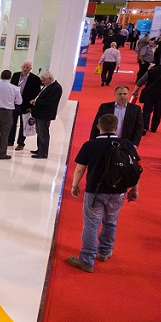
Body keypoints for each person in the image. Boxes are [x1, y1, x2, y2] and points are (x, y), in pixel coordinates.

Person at [67, 115, 140, 273]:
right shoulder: (127, 145)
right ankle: (105, 252)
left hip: (95, 191)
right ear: (116, 127)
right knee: (110, 222)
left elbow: (80, 168)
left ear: (98, 127)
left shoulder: (90, 145)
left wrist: (75, 185)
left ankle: (86, 260)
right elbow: (135, 169)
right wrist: (134, 189)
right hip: (118, 192)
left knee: (91, 224)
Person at [132, 54, 161, 134]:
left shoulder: (151, 70)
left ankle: (144, 127)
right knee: (158, 111)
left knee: (146, 110)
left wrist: (135, 91)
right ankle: (154, 127)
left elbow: (140, 81)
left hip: (149, 93)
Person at [0, 70, 22, 160]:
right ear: (10, 77)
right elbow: (19, 101)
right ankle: (2, 153)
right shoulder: (15, 88)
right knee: (5, 134)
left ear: (1, 76)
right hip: (7, 112)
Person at [8, 61, 42, 151]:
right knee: (12, 123)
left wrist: (32, 107)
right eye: (24, 67)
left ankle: (21, 143)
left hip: (26, 105)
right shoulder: (16, 75)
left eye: (27, 67)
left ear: (31, 69)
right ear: (21, 67)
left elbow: (37, 93)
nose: (25, 69)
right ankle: (10, 140)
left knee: (23, 125)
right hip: (14, 103)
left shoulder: (35, 79)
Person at [29, 70, 63, 159]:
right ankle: (40, 149)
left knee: (43, 133)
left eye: (44, 80)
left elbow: (50, 101)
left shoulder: (56, 88)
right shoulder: (47, 85)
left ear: (50, 79)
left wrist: (37, 101)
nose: (43, 82)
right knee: (39, 132)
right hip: (39, 113)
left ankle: (43, 152)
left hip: (45, 114)